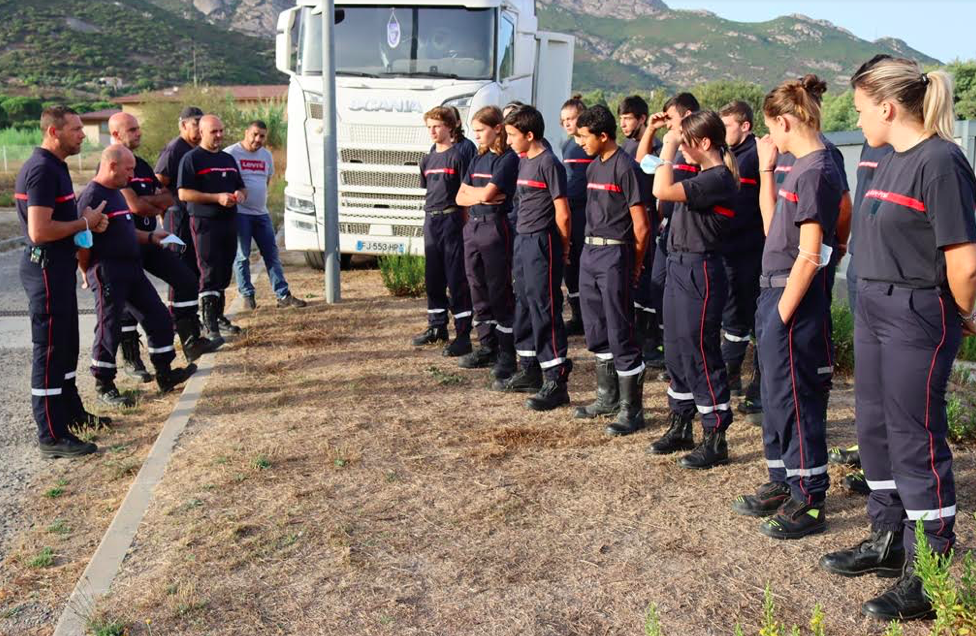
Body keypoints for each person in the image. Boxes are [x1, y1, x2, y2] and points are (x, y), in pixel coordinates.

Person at [819, 57, 976, 623]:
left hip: (917, 310)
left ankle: (928, 570)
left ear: (887, 107)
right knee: (876, 427)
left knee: (915, 437)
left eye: (861, 110)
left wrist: (959, 313)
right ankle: (887, 541)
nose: (858, 120)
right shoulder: (886, 158)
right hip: (875, 304)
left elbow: (964, 260)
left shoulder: (940, 161)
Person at [731, 75, 842, 541]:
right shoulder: (797, 166)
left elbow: (811, 253)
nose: (767, 138)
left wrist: (781, 316)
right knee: (777, 396)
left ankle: (809, 496)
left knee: (797, 399)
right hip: (773, 290)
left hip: (790, 299)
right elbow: (772, 222)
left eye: (770, 129)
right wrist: (768, 170)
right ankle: (783, 481)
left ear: (784, 120)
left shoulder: (818, 168)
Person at [16, 106, 110, 458]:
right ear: (53, 132)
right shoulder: (41, 170)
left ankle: (71, 414)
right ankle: (50, 435)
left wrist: (88, 224)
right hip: (43, 269)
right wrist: (83, 223)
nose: (83, 134)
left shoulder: (56, 166)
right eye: (75, 129)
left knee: (67, 344)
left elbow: (62, 222)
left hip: (58, 267)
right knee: (50, 349)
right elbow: (39, 231)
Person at [648, 110, 739, 469]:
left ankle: (715, 436)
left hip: (700, 268)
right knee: (675, 349)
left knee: (700, 351)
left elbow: (661, 188)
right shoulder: (703, 175)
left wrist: (668, 144)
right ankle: (681, 421)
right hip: (678, 264)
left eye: (686, 141)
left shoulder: (718, 178)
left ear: (703, 143)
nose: (681, 147)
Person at [78, 146, 197, 404]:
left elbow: (125, 231)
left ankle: (164, 373)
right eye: (129, 169)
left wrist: (152, 237)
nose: (132, 175)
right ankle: (104, 384)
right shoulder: (92, 195)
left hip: (132, 267)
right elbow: (82, 240)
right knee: (110, 326)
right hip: (108, 270)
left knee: (159, 317)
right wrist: (85, 270)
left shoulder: (117, 194)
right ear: (112, 166)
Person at [108, 112, 218, 383]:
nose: (138, 133)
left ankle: (190, 338)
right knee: (127, 302)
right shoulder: (111, 166)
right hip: (123, 242)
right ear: (115, 135)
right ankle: (132, 359)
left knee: (185, 278)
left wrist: (150, 200)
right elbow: (134, 206)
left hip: (150, 238)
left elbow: (168, 197)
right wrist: (150, 201)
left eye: (138, 129)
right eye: (131, 129)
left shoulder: (141, 165)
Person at [571, 105, 651, 435]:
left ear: (603, 136)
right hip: (589, 254)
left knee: (620, 330)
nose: (579, 143)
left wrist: (633, 264)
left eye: (584, 136)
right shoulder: (593, 168)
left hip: (615, 255)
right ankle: (607, 398)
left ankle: (631, 409)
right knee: (596, 328)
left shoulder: (626, 168)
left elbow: (642, 227)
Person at [493, 105, 574, 410]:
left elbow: (563, 214)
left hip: (543, 242)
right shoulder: (522, 161)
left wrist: (563, 248)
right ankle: (530, 368)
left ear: (530, 135)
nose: (509, 140)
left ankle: (556, 379)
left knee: (544, 306)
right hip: (523, 241)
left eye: (513, 135)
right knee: (524, 302)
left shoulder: (549, 163)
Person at [637, 93, 702, 377]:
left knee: (684, 298)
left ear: (687, 115)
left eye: (671, 117)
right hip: (667, 231)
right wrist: (652, 130)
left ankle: (684, 356)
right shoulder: (671, 147)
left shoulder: (696, 147)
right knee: (659, 287)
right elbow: (641, 162)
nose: (667, 123)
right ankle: (668, 349)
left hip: (689, 233)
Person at [455, 105, 519, 378]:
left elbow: (491, 193)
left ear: (497, 129)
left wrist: (480, 194)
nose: (476, 135)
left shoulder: (507, 159)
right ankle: (486, 346)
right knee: (477, 287)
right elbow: (460, 197)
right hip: (473, 227)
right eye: (474, 130)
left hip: (495, 227)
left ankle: (506, 353)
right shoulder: (477, 159)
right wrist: (479, 195)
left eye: (481, 130)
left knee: (498, 289)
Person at [178, 115, 247, 343]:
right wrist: (215, 198)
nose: (218, 135)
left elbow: (240, 186)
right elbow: (183, 193)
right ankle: (209, 325)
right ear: (201, 132)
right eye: (213, 132)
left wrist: (240, 195)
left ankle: (219, 317)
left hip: (229, 221)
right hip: (204, 222)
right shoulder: (192, 159)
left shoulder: (228, 159)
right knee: (208, 270)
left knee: (224, 271)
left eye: (221, 130)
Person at [225, 120, 306, 310]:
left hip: (261, 214)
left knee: (272, 254)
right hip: (240, 214)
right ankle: (246, 296)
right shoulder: (231, 154)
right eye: (254, 134)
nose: (257, 139)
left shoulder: (266, 156)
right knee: (242, 256)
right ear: (246, 133)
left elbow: (266, 181)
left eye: (262, 136)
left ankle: (283, 295)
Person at [412, 106, 473, 356]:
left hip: (452, 220)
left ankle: (463, 333)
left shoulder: (458, 155)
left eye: (437, 126)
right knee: (433, 276)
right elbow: (428, 189)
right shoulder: (427, 159)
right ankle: (437, 326)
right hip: (431, 220)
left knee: (456, 278)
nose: (433, 131)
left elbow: (465, 194)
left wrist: (465, 224)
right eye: (429, 127)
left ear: (450, 127)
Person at [717, 101, 763, 397]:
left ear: (745, 126)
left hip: (752, 250)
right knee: (731, 315)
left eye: (727, 126)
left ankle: (755, 382)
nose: (722, 132)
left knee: (751, 317)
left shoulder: (756, 155)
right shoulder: (727, 154)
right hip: (728, 249)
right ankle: (731, 376)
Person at [155, 106, 204, 329]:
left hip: (192, 214)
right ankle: (176, 319)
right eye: (195, 123)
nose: (199, 128)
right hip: (176, 216)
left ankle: (189, 315)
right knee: (178, 264)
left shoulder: (197, 148)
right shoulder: (175, 149)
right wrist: (164, 211)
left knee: (192, 267)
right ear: (183, 125)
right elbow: (159, 182)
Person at [559, 94, 593, 336]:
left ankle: (591, 316)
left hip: (587, 212)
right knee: (569, 266)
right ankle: (577, 315)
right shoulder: (566, 145)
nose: (569, 123)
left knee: (585, 264)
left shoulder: (590, 145)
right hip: (569, 210)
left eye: (572, 118)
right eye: (564, 120)